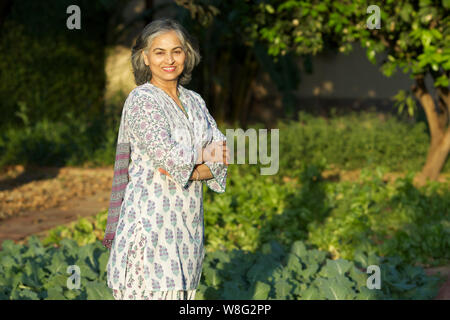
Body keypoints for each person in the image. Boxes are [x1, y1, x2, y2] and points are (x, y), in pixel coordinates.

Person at [104, 18, 229, 300]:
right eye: (159, 52)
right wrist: (200, 160)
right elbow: (168, 156)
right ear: (145, 57)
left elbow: (221, 152)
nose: (169, 59)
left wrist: (194, 170)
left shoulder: (195, 100)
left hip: (187, 231)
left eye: (177, 50)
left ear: (187, 54)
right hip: (150, 231)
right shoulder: (142, 100)